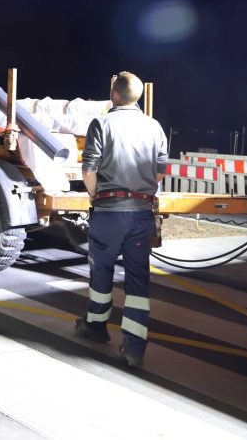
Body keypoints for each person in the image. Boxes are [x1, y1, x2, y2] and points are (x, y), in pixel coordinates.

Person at [74, 71, 168, 368]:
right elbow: (161, 171)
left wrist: (94, 195)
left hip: (109, 212)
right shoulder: (154, 126)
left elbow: (88, 170)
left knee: (101, 273)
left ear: (114, 94)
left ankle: (96, 327)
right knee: (138, 280)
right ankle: (134, 348)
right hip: (141, 215)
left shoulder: (102, 123)